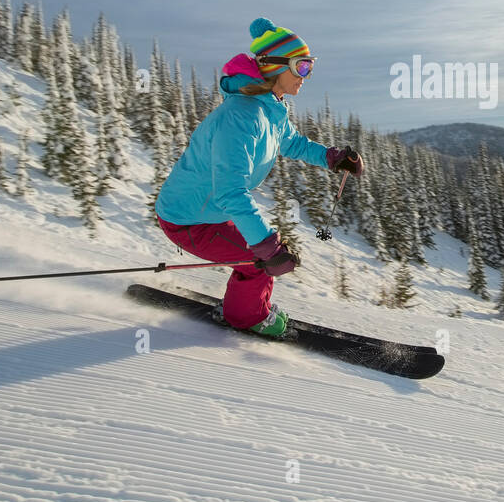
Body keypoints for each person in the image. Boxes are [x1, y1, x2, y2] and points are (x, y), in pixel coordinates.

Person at [153, 17, 364, 336]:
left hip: (209, 213)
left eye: (309, 67)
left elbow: (291, 142)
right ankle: (246, 317)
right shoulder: (242, 117)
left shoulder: (269, 109)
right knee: (258, 259)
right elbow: (230, 192)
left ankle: (245, 303)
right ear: (273, 67)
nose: (306, 76)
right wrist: (265, 247)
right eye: (302, 67)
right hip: (189, 219)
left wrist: (331, 158)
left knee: (260, 252)